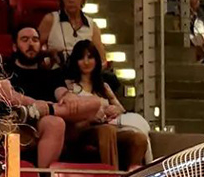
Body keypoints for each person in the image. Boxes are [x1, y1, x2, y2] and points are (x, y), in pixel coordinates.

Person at [0, 22, 101, 166]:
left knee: (94, 102)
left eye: (35, 40)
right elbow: (8, 95)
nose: (31, 44)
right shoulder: (4, 67)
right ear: (15, 46)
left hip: (46, 117)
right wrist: (34, 104)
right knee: (55, 122)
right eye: (25, 40)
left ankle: (46, 111)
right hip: (16, 119)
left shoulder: (50, 73)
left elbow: (61, 93)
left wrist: (67, 96)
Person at [58, 39, 152, 169]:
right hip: (82, 130)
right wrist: (90, 117)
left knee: (138, 138)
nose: (86, 62)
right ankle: (111, 176)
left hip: (108, 126)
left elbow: (121, 110)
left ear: (96, 60)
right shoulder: (69, 86)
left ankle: (132, 176)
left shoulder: (103, 86)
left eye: (90, 57)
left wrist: (115, 110)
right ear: (75, 61)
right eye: (81, 58)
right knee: (107, 131)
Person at [38, 0, 102, 66]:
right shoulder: (51, 19)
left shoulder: (92, 26)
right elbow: (35, 50)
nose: (71, 0)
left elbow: (101, 58)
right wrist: (49, 54)